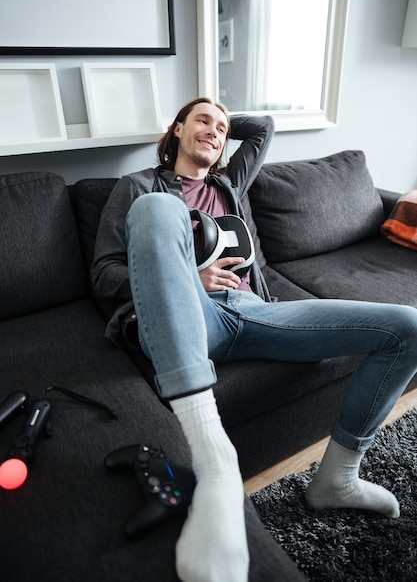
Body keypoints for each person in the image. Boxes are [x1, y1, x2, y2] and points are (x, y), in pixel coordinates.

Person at [91, 97, 417, 582]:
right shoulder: (137, 186)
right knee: (157, 209)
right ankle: (215, 458)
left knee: (407, 326)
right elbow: (104, 274)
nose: (215, 131)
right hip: (188, 317)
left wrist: (214, 122)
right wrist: (192, 278)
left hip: (254, 313)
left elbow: (261, 127)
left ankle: (337, 477)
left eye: (222, 128)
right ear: (176, 129)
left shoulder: (228, 183)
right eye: (202, 121)